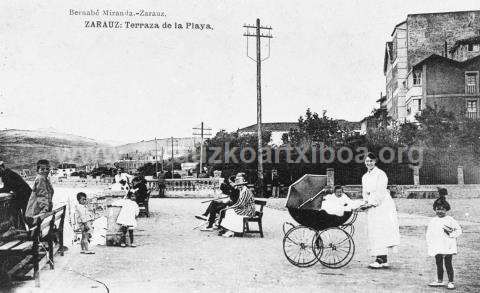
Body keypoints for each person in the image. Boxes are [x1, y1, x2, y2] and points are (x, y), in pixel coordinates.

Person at [361, 152, 400, 269]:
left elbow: (381, 191)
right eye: (367, 161)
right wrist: (366, 202)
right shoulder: (365, 176)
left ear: (375, 162)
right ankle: (381, 258)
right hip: (372, 205)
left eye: (371, 161)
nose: (369, 163)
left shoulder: (380, 174)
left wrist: (373, 203)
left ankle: (380, 259)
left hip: (383, 206)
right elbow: (365, 191)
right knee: (374, 230)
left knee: (381, 230)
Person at [426, 190, 462, 290]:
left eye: (442, 209)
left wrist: (451, 233)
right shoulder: (433, 221)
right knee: (438, 264)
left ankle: (451, 281)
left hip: (447, 246)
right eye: (438, 209)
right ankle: (440, 280)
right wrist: (430, 244)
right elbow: (429, 234)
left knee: (448, 264)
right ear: (435, 209)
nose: (440, 211)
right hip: (437, 246)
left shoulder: (450, 220)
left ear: (446, 210)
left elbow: (458, 231)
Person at [219, 173, 256, 237]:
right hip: (244, 208)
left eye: (239, 185)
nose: (238, 186)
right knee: (229, 211)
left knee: (231, 211)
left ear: (242, 185)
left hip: (248, 210)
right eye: (238, 185)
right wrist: (231, 207)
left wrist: (232, 207)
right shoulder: (242, 190)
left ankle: (236, 231)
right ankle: (229, 229)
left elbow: (241, 203)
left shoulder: (245, 191)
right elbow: (239, 203)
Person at [0, 161, 32, 226]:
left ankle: (29, 231)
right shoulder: (9, 172)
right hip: (26, 194)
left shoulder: (6, 175)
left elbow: (7, 189)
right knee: (22, 214)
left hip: (24, 195)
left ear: (2, 168)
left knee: (24, 215)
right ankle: (25, 229)